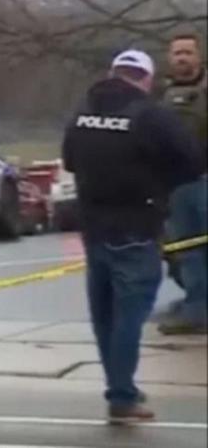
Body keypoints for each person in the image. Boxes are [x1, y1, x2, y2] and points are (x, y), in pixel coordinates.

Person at [61, 49, 204, 424]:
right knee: (130, 315)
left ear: (112, 73)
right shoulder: (150, 114)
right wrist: (161, 186)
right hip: (137, 228)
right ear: (145, 78)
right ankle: (122, 396)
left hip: (93, 227)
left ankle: (119, 388)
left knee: (105, 315)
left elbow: (69, 161)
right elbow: (191, 161)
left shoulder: (82, 113)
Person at [157, 33, 208, 335]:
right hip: (175, 185)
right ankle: (196, 306)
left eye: (188, 52)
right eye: (177, 53)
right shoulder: (161, 95)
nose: (182, 58)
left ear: (199, 56)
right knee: (185, 251)